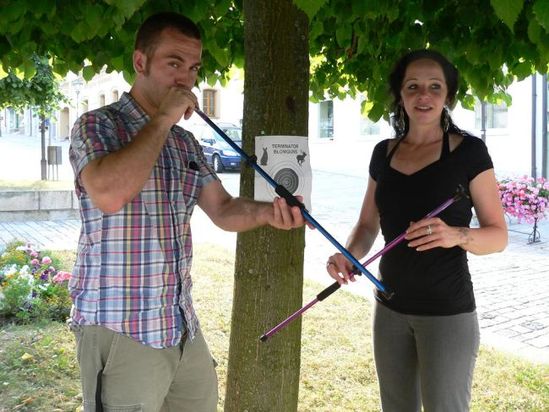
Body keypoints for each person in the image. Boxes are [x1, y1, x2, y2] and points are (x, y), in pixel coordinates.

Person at [68, 12, 307, 412]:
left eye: (193, 67)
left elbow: (225, 209)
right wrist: (162, 118)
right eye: (173, 63)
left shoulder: (184, 143)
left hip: (180, 325)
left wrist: (270, 212)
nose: (186, 78)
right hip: (119, 327)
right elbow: (108, 194)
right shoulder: (97, 125)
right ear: (140, 62)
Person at [326, 49, 508, 411]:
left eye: (434, 87)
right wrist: (349, 255)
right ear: (401, 95)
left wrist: (456, 235)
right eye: (413, 86)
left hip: (447, 312)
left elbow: (498, 235)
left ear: (448, 96)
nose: (423, 95)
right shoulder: (384, 153)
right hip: (389, 307)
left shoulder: (469, 153)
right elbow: (366, 224)